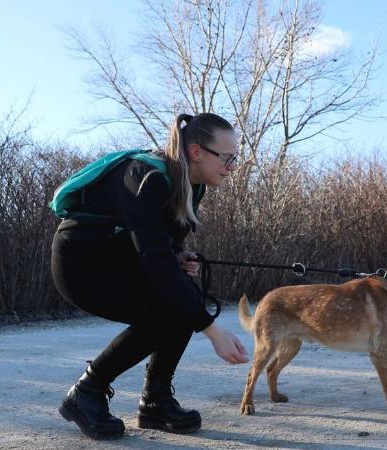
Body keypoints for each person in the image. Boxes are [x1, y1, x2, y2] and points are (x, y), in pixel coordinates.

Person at [50, 112, 249, 440]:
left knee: (182, 299)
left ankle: (155, 402)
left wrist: (178, 255)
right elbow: (154, 262)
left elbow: (158, 244)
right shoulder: (147, 176)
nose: (231, 167)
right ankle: (86, 393)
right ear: (197, 152)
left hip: (114, 258)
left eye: (235, 159)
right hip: (81, 265)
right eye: (227, 158)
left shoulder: (189, 184)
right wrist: (212, 329)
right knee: (171, 307)